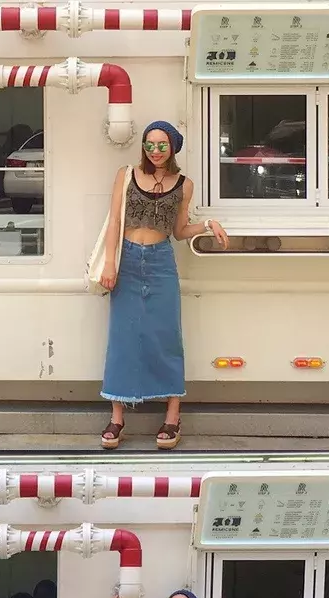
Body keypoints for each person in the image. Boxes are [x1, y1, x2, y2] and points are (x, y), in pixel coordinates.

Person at [99, 121, 229, 451]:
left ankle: (172, 416)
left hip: (161, 261)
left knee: (167, 336)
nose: (155, 151)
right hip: (127, 259)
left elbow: (180, 231)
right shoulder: (126, 175)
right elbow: (115, 221)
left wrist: (208, 224)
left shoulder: (184, 185)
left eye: (161, 145)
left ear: (173, 147)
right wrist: (110, 263)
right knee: (123, 337)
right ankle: (117, 417)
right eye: (149, 144)